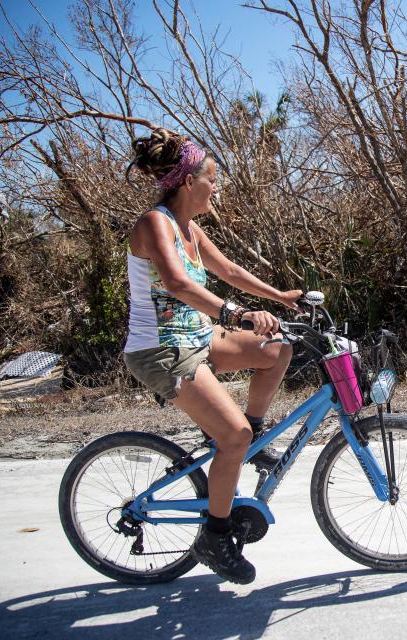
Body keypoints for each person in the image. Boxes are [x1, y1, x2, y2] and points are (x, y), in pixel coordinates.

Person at [124, 128, 301, 584]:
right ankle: (215, 537)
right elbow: (179, 285)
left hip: (199, 338)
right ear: (187, 181)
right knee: (233, 436)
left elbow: (231, 271)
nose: (217, 187)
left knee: (277, 346)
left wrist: (278, 298)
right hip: (161, 350)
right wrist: (237, 313)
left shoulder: (191, 229)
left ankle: (252, 440)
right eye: (212, 179)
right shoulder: (154, 223)